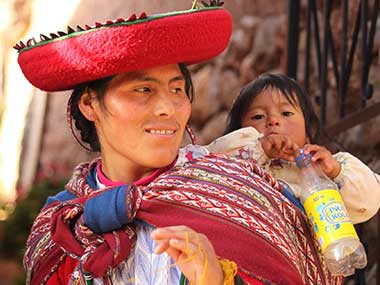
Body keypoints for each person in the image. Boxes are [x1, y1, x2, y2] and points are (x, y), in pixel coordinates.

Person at [17, 4, 342, 285]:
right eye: (143, 90)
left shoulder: (236, 192)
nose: (168, 108)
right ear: (90, 105)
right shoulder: (62, 223)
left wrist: (216, 279)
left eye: (176, 90)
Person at [207, 73, 380, 224]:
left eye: (286, 113)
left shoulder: (325, 169)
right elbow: (212, 164)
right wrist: (257, 149)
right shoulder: (239, 157)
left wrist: (337, 172)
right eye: (258, 116)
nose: (273, 121)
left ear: (308, 132)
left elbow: (369, 202)